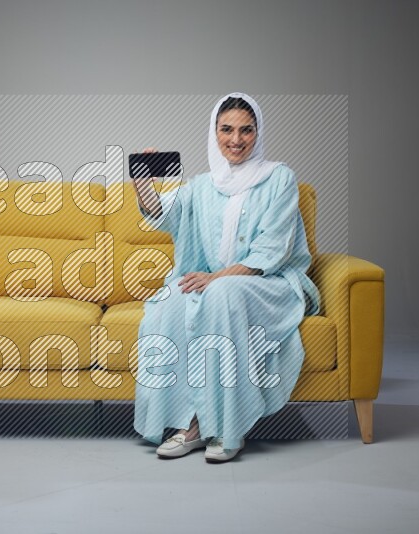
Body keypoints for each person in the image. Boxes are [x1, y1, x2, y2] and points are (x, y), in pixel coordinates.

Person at [130, 92, 321, 463]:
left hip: (268, 284)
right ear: (215, 133)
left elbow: (271, 250)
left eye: (246, 130)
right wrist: (142, 178)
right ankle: (191, 422)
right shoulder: (204, 185)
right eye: (227, 130)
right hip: (216, 281)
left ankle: (224, 428)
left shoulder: (279, 178)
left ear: (258, 132)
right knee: (172, 302)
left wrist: (217, 278)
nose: (236, 140)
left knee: (222, 295)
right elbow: (163, 213)